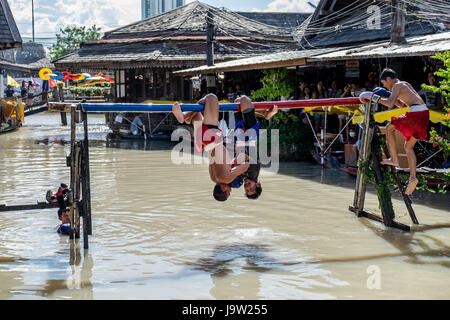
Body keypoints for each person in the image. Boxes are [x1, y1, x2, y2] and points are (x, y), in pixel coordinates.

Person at [359, 68, 429, 195]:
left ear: (389, 79)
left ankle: (394, 159)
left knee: (389, 127)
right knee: (408, 147)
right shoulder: (404, 84)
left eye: (384, 83)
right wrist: (386, 94)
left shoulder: (397, 85)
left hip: (417, 112)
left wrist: (372, 97)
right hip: (423, 113)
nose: (384, 86)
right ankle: (413, 178)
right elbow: (401, 105)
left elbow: (390, 104)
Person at [172, 94, 250, 201]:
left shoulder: (226, 179)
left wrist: (237, 176)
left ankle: (183, 117)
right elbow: (224, 164)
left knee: (212, 98)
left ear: (223, 188)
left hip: (212, 138)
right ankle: (187, 117)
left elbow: (246, 164)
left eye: (228, 192)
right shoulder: (213, 178)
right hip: (204, 144)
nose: (230, 191)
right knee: (196, 113)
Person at [228, 96, 278, 199]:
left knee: (236, 103)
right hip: (249, 135)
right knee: (244, 100)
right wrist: (232, 167)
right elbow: (243, 156)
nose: (247, 187)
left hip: (240, 136)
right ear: (257, 185)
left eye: (246, 190)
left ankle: (264, 114)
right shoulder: (254, 171)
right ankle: (266, 115)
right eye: (251, 188)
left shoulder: (243, 176)